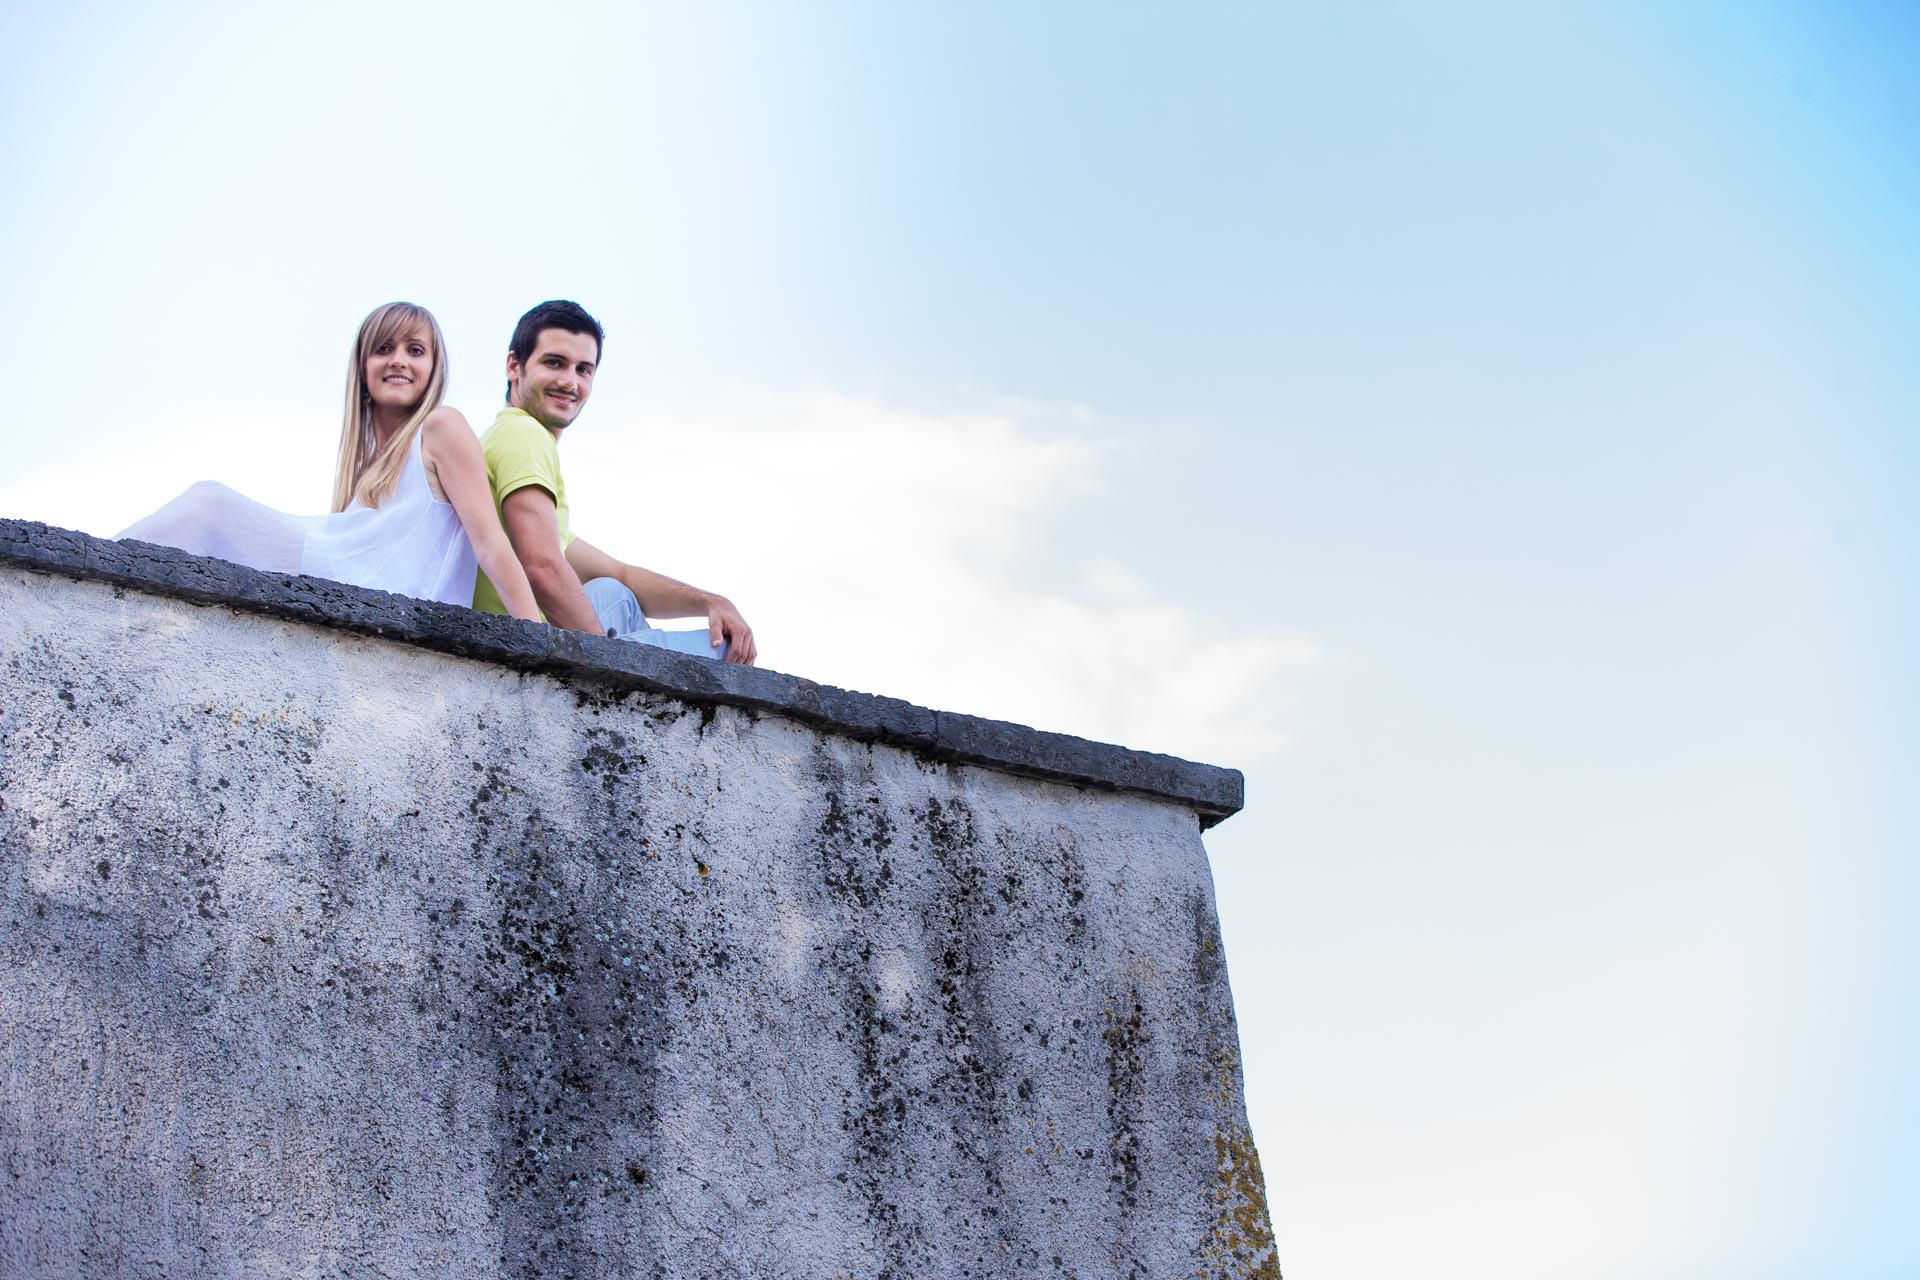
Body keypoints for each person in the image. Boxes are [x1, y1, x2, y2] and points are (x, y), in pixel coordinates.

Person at [119, 303, 541, 620]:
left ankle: (95, 572)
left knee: (209, 504)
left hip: (381, 594)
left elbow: (490, 544)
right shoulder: (370, 470)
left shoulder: (442, 427)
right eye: (383, 348)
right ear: (363, 366)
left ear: (434, 368)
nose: (398, 359)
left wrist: (538, 647)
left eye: (415, 350)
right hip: (346, 585)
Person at [472, 300, 757, 664]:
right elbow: (542, 567)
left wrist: (712, 602)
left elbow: (618, 572)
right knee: (723, 652)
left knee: (613, 590)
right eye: (554, 363)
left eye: (583, 370)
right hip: (514, 653)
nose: (569, 382)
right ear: (515, 365)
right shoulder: (523, 435)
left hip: (533, 636)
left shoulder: (510, 436)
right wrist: (606, 666)